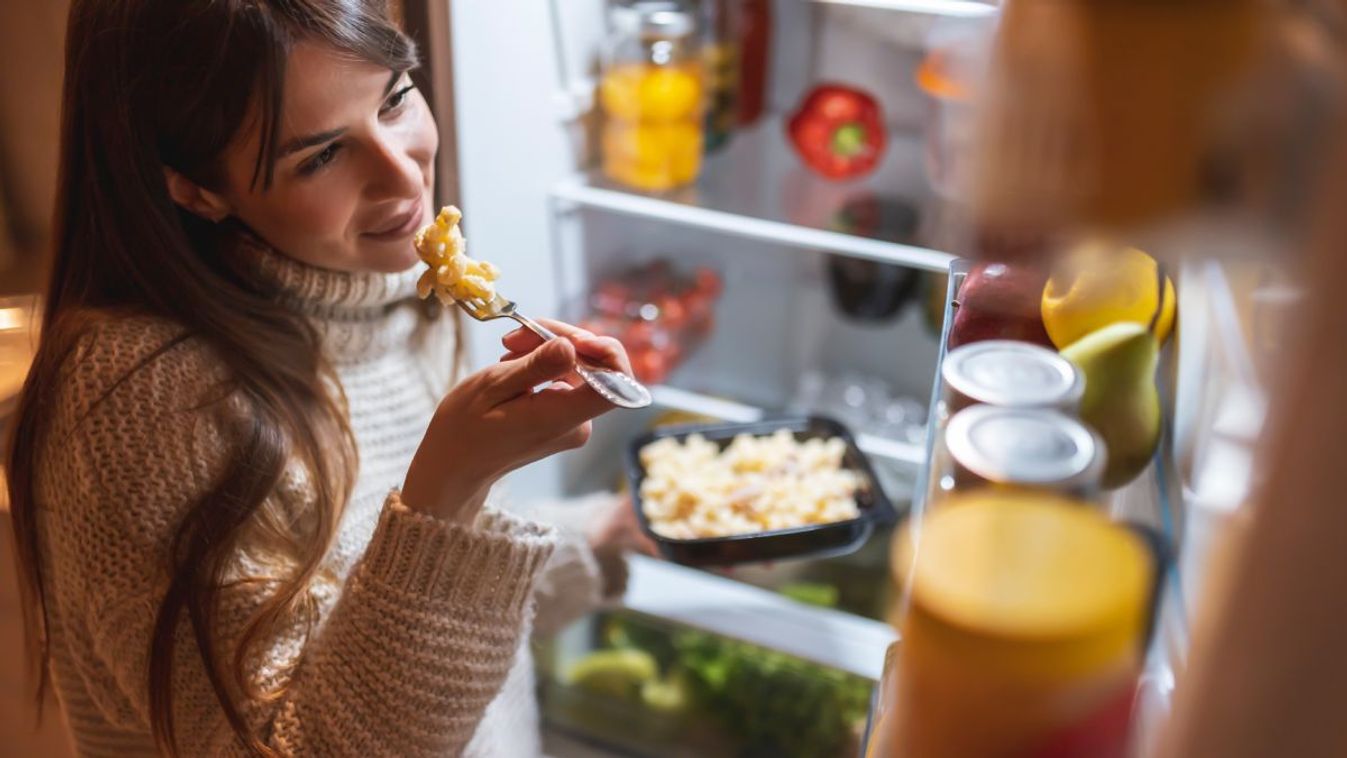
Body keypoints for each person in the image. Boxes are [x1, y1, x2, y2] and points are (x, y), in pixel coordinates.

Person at [4, 1, 649, 755]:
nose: (402, 173)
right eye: (319, 156)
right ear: (194, 189)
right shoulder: (141, 402)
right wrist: (450, 489)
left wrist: (602, 533)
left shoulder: (399, 296)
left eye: (396, 97)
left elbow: (407, 621)